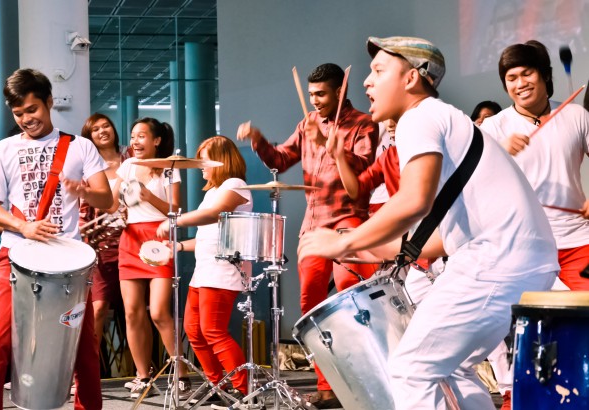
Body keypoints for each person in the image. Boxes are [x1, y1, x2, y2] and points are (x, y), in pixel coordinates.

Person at [298, 36, 559, 410]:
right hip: (518, 262)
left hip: (496, 261)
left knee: (409, 370)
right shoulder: (444, 120)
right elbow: (434, 239)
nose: (367, 82)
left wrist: (343, 242)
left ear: (411, 79)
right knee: (450, 370)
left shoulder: (419, 116)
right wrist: (361, 245)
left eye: (378, 71)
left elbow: (413, 201)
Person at [236, 63, 378, 408]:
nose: (315, 100)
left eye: (321, 94)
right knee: (310, 308)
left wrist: (332, 147)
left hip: (350, 223)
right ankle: (327, 385)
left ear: (339, 92)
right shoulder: (306, 124)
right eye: (311, 94)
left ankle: (368, 381)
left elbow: (365, 171)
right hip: (314, 227)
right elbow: (282, 159)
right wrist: (259, 141)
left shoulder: (363, 124)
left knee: (352, 303)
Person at [0, 68, 112, 409]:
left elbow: (106, 199)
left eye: (32, 110)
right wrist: (23, 227)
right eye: (18, 113)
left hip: (69, 263)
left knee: (82, 345)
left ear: (49, 102)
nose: (26, 119)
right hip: (15, 257)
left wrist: (84, 191)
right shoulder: (2, 150)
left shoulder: (80, 147)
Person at [479, 39, 589, 410]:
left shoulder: (575, 116)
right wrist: (498, 156)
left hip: (576, 241)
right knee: (512, 331)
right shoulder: (492, 129)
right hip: (521, 246)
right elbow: (473, 187)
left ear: (545, 76)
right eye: (511, 77)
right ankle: (516, 398)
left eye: (527, 73)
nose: (519, 82)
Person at [156, 135, 251, 409]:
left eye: (205, 159)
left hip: (223, 271)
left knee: (213, 331)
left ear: (222, 160)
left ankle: (242, 389)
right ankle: (217, 385)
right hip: (205, 270)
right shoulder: (212, 191)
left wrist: (175, 221)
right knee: (194, 331)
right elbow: (207, 237)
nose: (200, 165)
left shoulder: (236, 185)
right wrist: (176, 246)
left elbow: (216, 215)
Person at [108, 117, 189, 399]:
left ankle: (181, 373)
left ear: (156, 140)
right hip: (129, 238)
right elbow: (114, 201)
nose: (135, 141)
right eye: (133, 136)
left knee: (158, 312)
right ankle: (144, 375)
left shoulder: (169, 167)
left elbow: (176, 207)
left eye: (142, 136)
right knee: (131, 311)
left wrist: (147, 196)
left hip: (158, 238)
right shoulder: (127, 165)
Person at [79, 114, 128, 356]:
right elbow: (83, 213)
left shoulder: (131, 158)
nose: (102, 131)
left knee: (135, 310)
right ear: (89, 138)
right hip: (101, 249)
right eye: (95, 129)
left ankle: (145, 372)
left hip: (133, 245)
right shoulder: (87, 169)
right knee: (97, 309)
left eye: (106, 125)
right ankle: (87, 372)